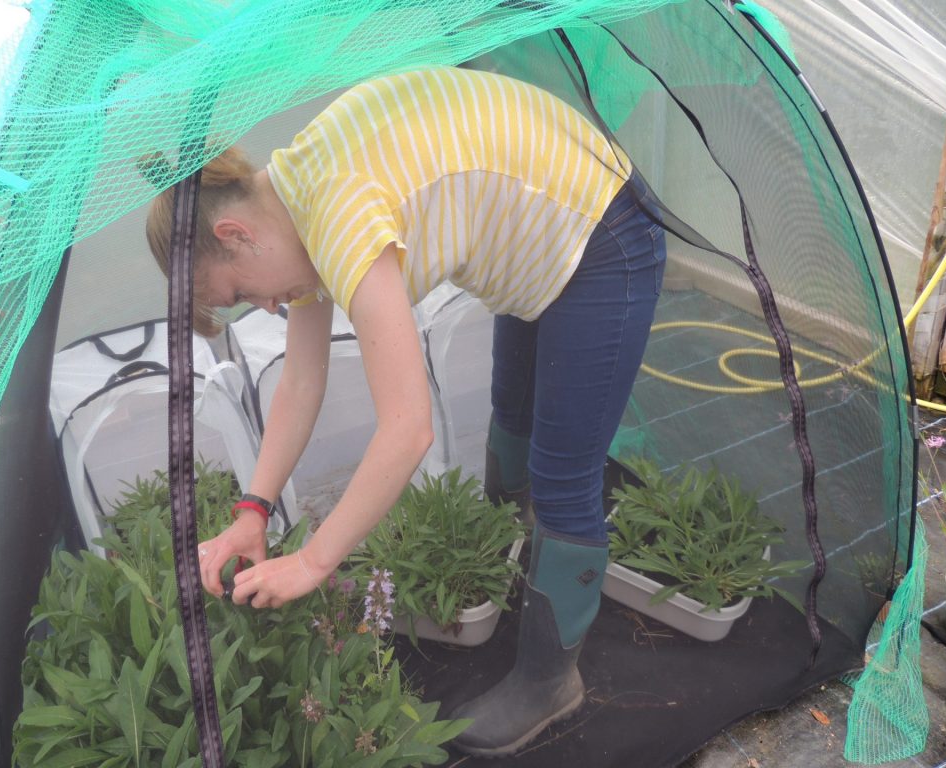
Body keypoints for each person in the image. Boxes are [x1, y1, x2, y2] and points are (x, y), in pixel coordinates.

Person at [145, 65, 666, 757]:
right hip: (536, 239)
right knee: (512, 414)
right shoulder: (289, 199)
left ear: (237, 234)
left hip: (603, 231)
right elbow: (302, 383)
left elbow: (408, 427)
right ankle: (517, 570)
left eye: (241, 293)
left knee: (563, 474)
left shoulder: (337, 214)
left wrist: (313, 563)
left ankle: (550, 680)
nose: (264, 308)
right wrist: (253, 510)